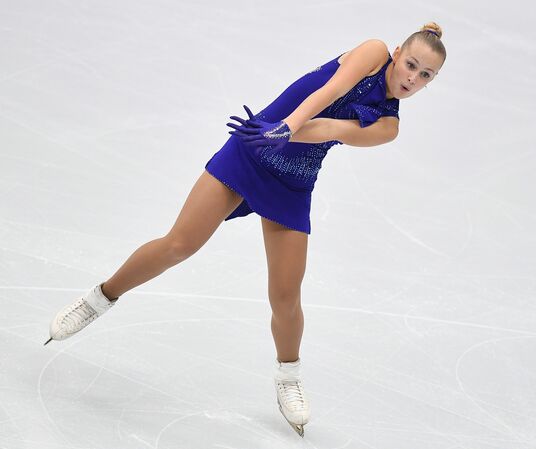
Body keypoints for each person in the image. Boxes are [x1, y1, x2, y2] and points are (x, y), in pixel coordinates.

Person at [44, 22, 447, 437]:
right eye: (411, 65)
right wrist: (282, 126)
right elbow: (325, 94)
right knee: (179, 245)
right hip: (254, 147)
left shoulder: (388, 125)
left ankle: (288, 376)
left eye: (425, 76)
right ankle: (99, 298)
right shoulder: (374, 51)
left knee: (286, 296)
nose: (411, 79)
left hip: (292, 180)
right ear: (398, 53)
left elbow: (328, 128)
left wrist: (289, 131)